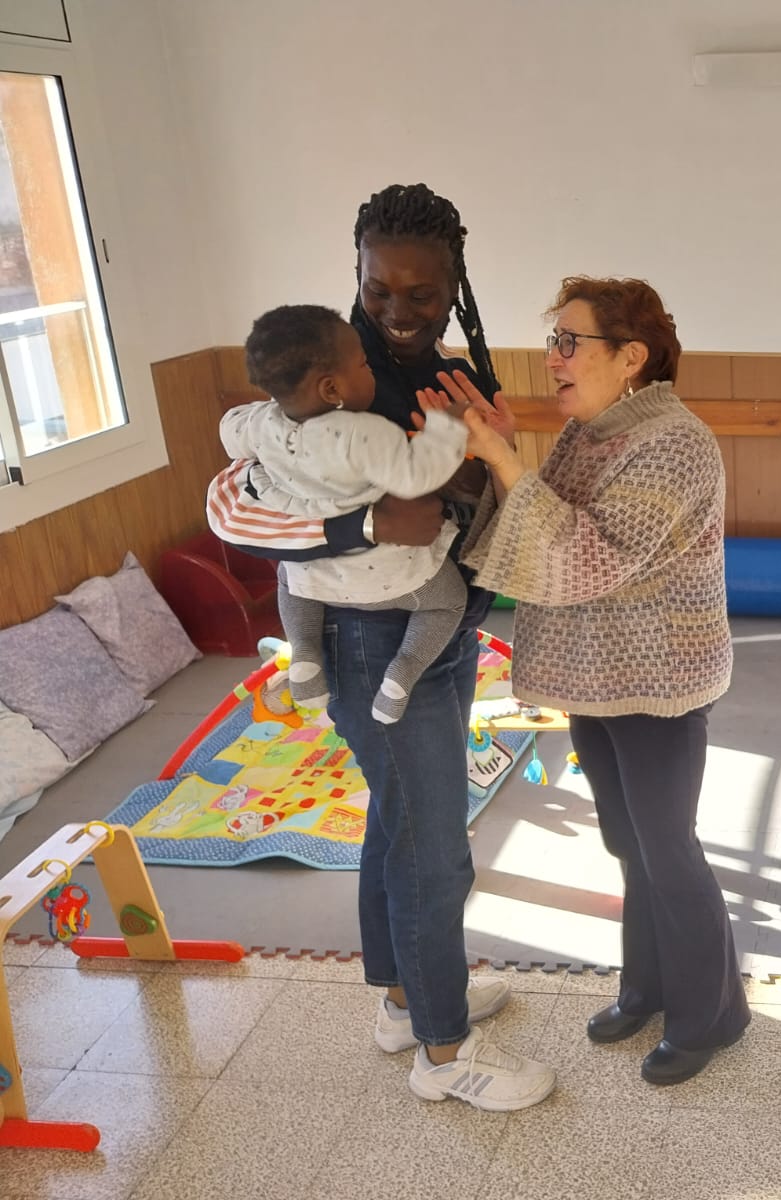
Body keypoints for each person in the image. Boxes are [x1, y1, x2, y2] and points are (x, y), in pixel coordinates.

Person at [205, 184, 554, 1111]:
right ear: (355, 274)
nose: (399, 313)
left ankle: (406, 1000)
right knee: (433, 849)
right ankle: (444, 1054)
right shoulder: (327, 378)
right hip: (367, 638)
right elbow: (232, 509)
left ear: (454, 288)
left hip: (443, 622)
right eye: (379, 290)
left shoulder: (447, 378)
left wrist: (490, 463)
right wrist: (360, 526)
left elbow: (467, 506)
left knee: (398, 824)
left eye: (423, 294)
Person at [430, 275, 749, 1086]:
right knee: (627, 843)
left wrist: (505, 457)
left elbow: (585, 557)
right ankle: (645, 986)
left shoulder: (674, 442)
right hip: (598, 676)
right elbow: (544, 527)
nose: (553, 359)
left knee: (668, 849)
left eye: (571, 342)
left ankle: (714, 1012)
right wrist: (508, 453)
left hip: (659, 681)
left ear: (631, 356)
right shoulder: (594, 431)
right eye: (553, 342)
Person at [223, 304, 469, 723]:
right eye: (363, 364)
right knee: (448, 604)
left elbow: (230, 433)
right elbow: (416, 477)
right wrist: (446, 427)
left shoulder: (261, 424)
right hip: (394, 578)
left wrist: (263, 412)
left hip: (314, 577)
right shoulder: (363, 433)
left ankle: (304, 653)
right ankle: (404, 671)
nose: (370, 370)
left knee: (287, 577)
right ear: (331, 389)